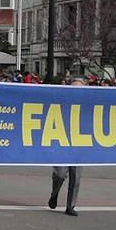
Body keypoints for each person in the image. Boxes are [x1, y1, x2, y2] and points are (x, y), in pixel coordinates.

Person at [48, 78, 84, 215]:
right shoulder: (61, 103)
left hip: (80, 143)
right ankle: (54, 194)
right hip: (62, 142)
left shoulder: (88, 105)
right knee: (60, 174)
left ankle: (71, 206)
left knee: (76, 178)